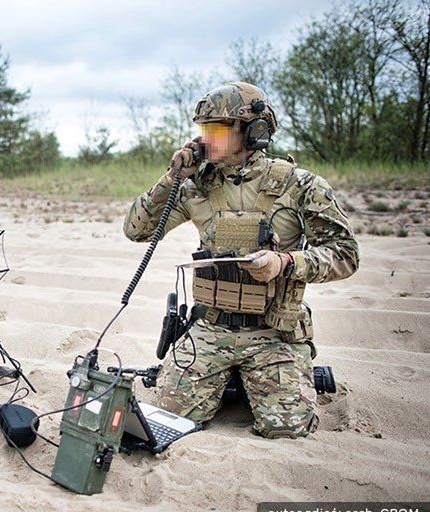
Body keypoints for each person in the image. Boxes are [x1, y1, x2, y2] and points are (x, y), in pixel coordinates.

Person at [123, 82, 359, 438]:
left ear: (255, 131)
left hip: (273, 332)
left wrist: (286, 263)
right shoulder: (195, 186)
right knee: (162, 419)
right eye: (204, 130)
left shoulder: (301, 186)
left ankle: (265, 378)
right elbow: (136, 230)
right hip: (211, 328)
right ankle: (233, 382)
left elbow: (345, 254)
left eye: (217, 130)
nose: (206, 140)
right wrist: (171, 178)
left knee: (288, 429)